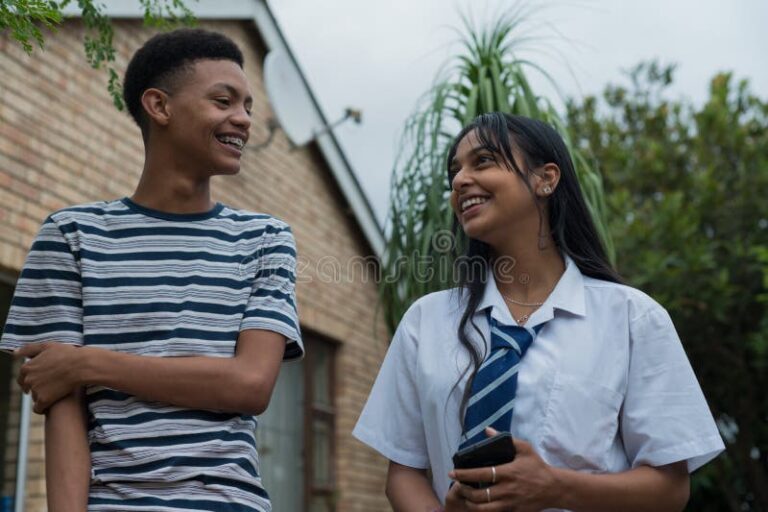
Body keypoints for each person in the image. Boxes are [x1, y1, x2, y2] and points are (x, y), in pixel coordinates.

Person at [353, 112, 724, 511]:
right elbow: (405, 471)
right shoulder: (425, 322)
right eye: (454, 171)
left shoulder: (633, 319)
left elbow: (670, 490)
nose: (459, 180)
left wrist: (554, 487)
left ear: (546, 178)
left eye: (482, 161)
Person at [0, 28, 302, 511]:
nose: (243, 120)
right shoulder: (70, 235)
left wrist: (86, 362)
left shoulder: (266, 239)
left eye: (247, 106)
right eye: (224, 101)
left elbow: (249, 385)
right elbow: (63, 405)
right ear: (159, 107)